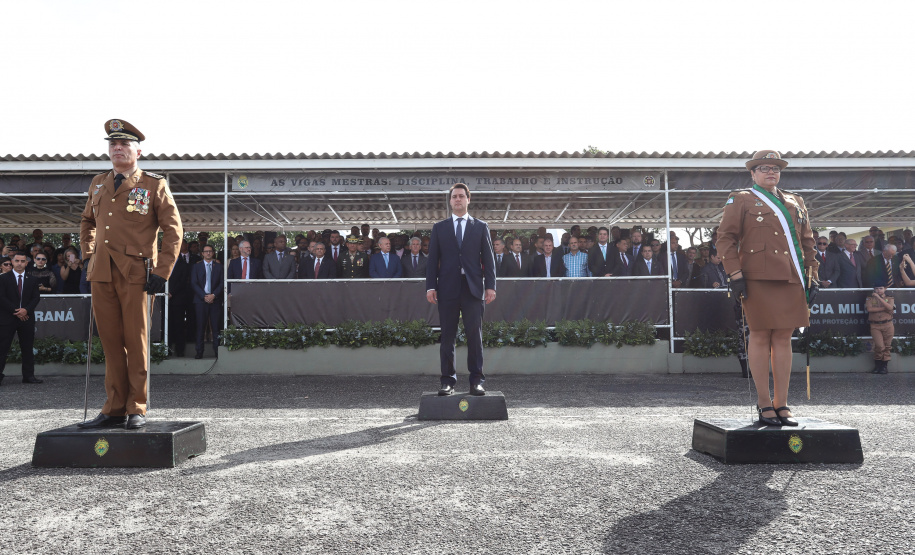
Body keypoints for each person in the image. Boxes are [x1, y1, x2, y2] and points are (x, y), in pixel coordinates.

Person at [77, 119, 182, 430]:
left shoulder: (153, 184)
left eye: (123, 144)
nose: (117, 148)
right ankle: (113, 407)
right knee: (109, 342)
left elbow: (174, 231)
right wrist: (88, 254)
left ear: (139, 151)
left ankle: (136, 406)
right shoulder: (98, 182)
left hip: (137, 274)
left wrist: (162, 271)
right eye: (112, 144)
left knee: (135, 342)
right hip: (101, 273)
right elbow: (87, 222)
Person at [717, 150, 817, 427]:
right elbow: (725, 238)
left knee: (784, 338)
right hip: (757, 277)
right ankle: (764, 403)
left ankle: (781, 403)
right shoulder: (741, 199)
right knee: (760, 336)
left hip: (791, 277)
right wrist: (735, 274)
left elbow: (807, 240)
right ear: (753, 173)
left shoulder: (795, 201)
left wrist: (813, 274)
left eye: (775, 168)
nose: (770, 172)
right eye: (763, 168)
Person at [426, 183, 496, 396]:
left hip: (473, 289)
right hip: (447, 289)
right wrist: (431, 286)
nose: (457, 199)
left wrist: (491, 286)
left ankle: (477, 381)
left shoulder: (480, 227)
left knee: (475, 336)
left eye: (461, 196)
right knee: (447, 336)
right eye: (454, 196)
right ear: (450, 201)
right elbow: (432, 261)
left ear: (468, 199)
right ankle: (447, 381)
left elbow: (489, 259)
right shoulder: (440, 228)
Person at [0, 253, 43, 386]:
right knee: (2, 348)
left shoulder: (32, 279)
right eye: (17, 261)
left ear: (27, 263)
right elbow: (1, 298)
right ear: (12, 262)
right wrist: (17, 311)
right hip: (7, 318)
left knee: (27, 348)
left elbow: (36, 297)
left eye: (22, 261)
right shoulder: (3, 278)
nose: (19, 263)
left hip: (27, 318)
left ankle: (28, 376)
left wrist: (26, 310)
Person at [191, 245, 223, 359]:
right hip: (200, 300)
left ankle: (217, 352)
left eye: (210, 251)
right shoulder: (196, 266)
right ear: (202, 254)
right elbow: (193, 283)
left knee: (216, 327)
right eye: (206, 251)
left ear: (213, 253)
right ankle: (199, 352)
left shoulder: (219, 267)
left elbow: (222, 283)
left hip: (215, 300)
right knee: (200, 327)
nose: (208, 253)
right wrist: (204, 296)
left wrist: (213, 295)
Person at [865, 280, 894, 374]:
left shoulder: (890, 297)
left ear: (885, 289)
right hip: (875, 325)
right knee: (879, 346)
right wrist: (884, 308)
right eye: (876, 289)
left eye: (881, 288)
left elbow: (890, 307)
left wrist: (879, 298)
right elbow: (870, 309)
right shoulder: (869, 298)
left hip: (888, 324)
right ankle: (877, 365)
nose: (878, 290)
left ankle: (884, 367)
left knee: (887, 346)